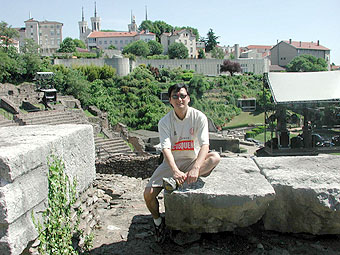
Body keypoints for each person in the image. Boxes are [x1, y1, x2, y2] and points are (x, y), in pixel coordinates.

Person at [143, 83, 221, 243]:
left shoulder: (199, 117)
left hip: (193, 160)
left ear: (189, 98)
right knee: (148, 195)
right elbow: (166, 148)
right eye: (175, 96)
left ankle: (179, 181)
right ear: (170, 101)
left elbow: (205, 145)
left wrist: (196, 167)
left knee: (215, 157)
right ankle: (158, 222)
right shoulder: (165, 122)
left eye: (183, 96)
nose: (179, 99)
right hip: (171, 163)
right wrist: (175, 171)